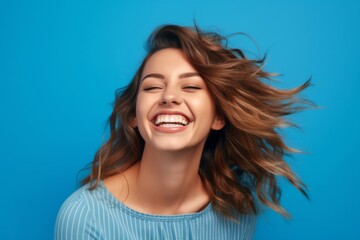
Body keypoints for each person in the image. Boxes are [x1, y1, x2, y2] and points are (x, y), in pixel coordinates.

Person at [54, 24, 312, 240]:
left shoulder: (237, 212)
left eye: (190, 87)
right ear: (133, 114)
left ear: (219, 117)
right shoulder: (85, 217)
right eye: (153, 87)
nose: (169, 97)